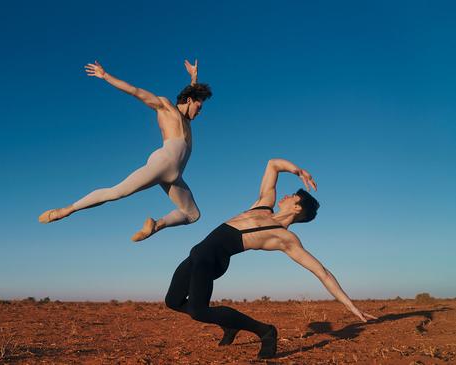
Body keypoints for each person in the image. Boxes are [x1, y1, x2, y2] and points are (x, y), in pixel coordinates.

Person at [164, 158, 377, 359]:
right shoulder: (264, 204)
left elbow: (321, 272)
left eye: (293, 196)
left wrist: (351, 306)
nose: (286, 195)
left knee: (198, 310)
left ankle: (265, 331)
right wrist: (298, 171)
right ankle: (229, 324)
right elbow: (273, 164)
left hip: (211, 261)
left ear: (297, 208)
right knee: (172, 301)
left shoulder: (285, 238)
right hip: (195, 254)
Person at [38, 60, 212, 242]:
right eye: (199, 107)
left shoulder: (187, 120)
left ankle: (156, 225)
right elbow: (135, 91)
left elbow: (192, 94)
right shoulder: (166, 107)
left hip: (175, 176)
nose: (199, 112)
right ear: (190, 101)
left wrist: (193, 77)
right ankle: (65, 210)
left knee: (192, 214)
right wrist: (105, 75)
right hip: (163, 162)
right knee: (116, 192)